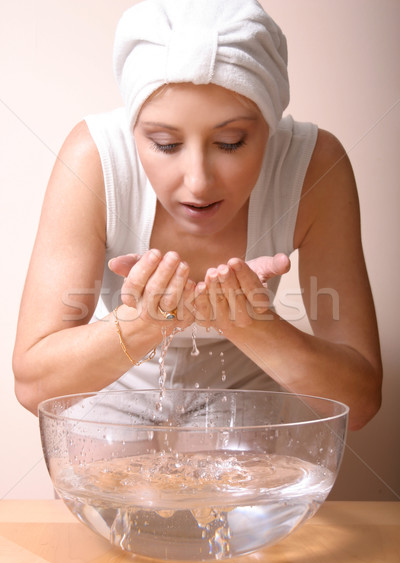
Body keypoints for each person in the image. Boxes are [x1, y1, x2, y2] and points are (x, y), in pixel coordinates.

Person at [13, 0, 382, 430]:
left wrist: (253, 327)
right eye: (166, 144)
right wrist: (144, 324)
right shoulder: (95, 158)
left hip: (242, 400)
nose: (198, 181)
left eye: (230, 142)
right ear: (132, 130)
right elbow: (33, 387)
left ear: (271, 124)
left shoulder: (313, 166)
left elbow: (360, 402)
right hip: (107, 387)